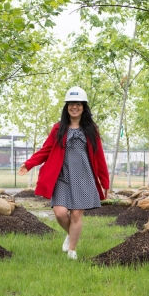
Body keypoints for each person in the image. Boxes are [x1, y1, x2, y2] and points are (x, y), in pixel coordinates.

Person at [18, 86, 110, 260]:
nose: (74, 107)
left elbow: (99, 157)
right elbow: (45, 150)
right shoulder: (58, 128)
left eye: (78, 104)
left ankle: (72, 252)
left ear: (84, 107)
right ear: (66, 107)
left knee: (76, 215)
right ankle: (71, 233)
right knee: (60, 213)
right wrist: (28, 164)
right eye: (70, 104)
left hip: (84, 178)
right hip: (62, 177)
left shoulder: (91, 129)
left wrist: (105, 182)